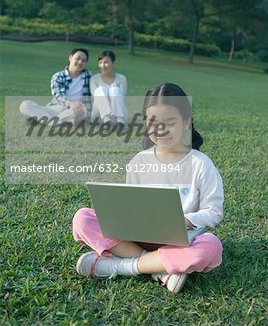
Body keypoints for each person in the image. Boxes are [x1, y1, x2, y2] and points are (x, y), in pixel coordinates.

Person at [73, 83, 223, 293]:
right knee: (82, 218)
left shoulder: (201, 164)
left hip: (180, 242)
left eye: (170, 122)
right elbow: (131, 202)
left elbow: (214, 213)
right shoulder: (139, 161)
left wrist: (185, 220)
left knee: (211, 247)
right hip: (138, 237)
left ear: (187, 122)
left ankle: (117, 266)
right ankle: (159, 268)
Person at [19, 48, 91, 125]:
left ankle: (42, 120)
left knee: (82, 112)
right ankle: (58, 121)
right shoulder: (58, 76)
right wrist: (70, 103)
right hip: (57, 107)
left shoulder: (88, 76)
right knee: (25, 105)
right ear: (70, 58)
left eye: (83, 61)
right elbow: (58, 96)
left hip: (75, 110)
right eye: (78, 58)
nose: (80, 62)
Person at [89, 50, 128, 133]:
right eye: (100, 62)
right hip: (99, 114)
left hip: (117, 114)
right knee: (100, 90)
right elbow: (96, 98)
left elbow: (121, 97)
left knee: (115, 90)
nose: (103, 65)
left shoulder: (121, 79)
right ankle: (107, 122)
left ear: (113, 63)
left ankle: (120, 123)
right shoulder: (94, 79)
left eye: (106, 62)